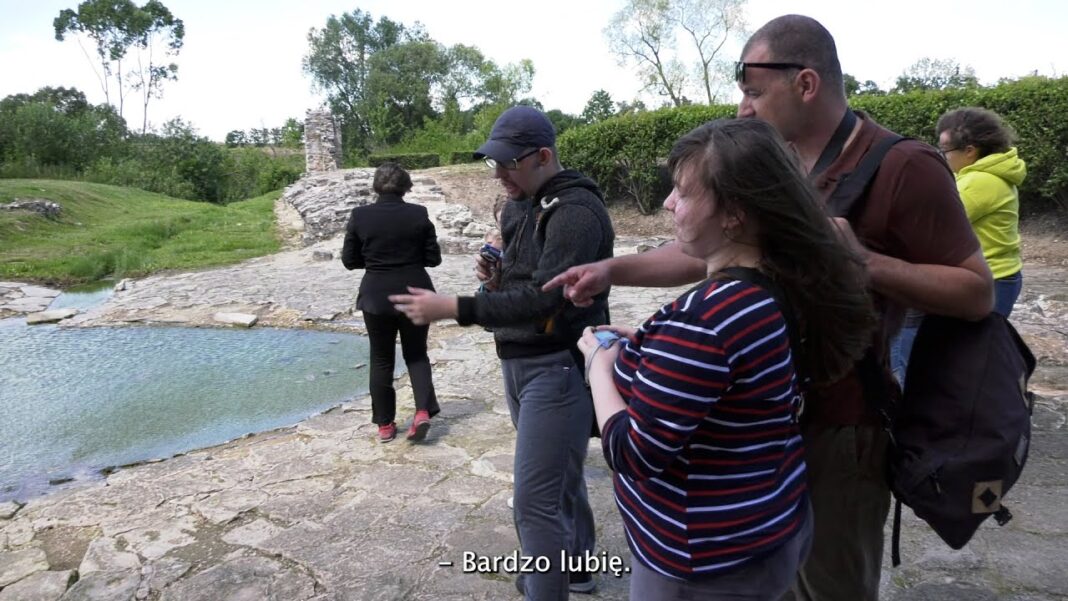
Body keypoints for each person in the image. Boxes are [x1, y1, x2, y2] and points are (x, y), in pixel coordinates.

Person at [545, 15, 994, 601]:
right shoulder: (777, 163)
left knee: (830, 583)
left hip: (841, 422)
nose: (743, 109)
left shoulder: (903, 166)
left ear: (805, 83)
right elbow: (721, 253)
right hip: (764, 420)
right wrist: (614, 269)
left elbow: (977, 291)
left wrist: (862, 261)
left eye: (754, 91)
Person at [578, 118, 875, 600]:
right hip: (770, 525)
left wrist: (598, 367)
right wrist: (661, 348)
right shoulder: (784, 283)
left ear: (734, 213)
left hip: (702, 562)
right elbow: (739, 376)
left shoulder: (707, 320)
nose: (668, 204)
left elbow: (633, 454)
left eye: (682, 192)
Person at [390, 106, 615, 600]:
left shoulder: (576, 213)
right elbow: (520, 278)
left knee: (534, 503)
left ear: (543, 156)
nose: (498, 174)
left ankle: (546, 585)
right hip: (517, 363)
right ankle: (573, 568)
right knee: (561, 477)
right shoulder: (519, 205)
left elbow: (545, 299)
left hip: (558, 368)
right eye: (493, 162)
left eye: (508, 163)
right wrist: (495, 277)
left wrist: (454, 306)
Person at [341, 162, 442, 443]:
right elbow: (433, 258)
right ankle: (422, 410)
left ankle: (385, 424)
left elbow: (349, 260)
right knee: (417, 354)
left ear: (376, 186)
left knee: (382, 358)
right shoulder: (418, 214)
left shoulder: (360, 216)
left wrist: (374, 261)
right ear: (406, 186)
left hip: (376, 294)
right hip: (415, 291)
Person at [936, 107, 1026, 317]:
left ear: (969, 150)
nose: (942, 156)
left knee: (974, 346)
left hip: (991, 278)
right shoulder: (985, 174)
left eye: (944, 150)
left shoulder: (979, 181)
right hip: (1000, 275)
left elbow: (938, 224)